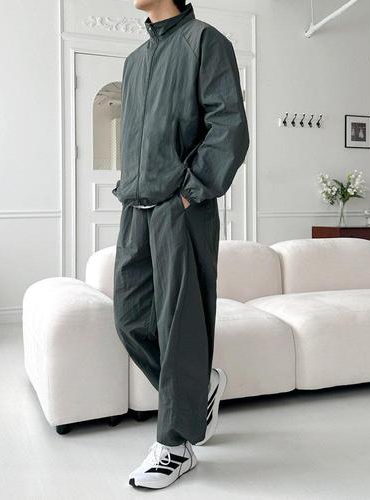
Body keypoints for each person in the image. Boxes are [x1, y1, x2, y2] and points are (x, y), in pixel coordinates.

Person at [111, 0, 250, 489]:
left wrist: (191, 191)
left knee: (181, 327)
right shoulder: (134, 61)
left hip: (181, 208)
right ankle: (200, 388)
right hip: (136, 207)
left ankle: (173, 448)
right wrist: (129, 187)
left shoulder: (205, 41)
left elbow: (229, 126)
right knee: (130, 319)